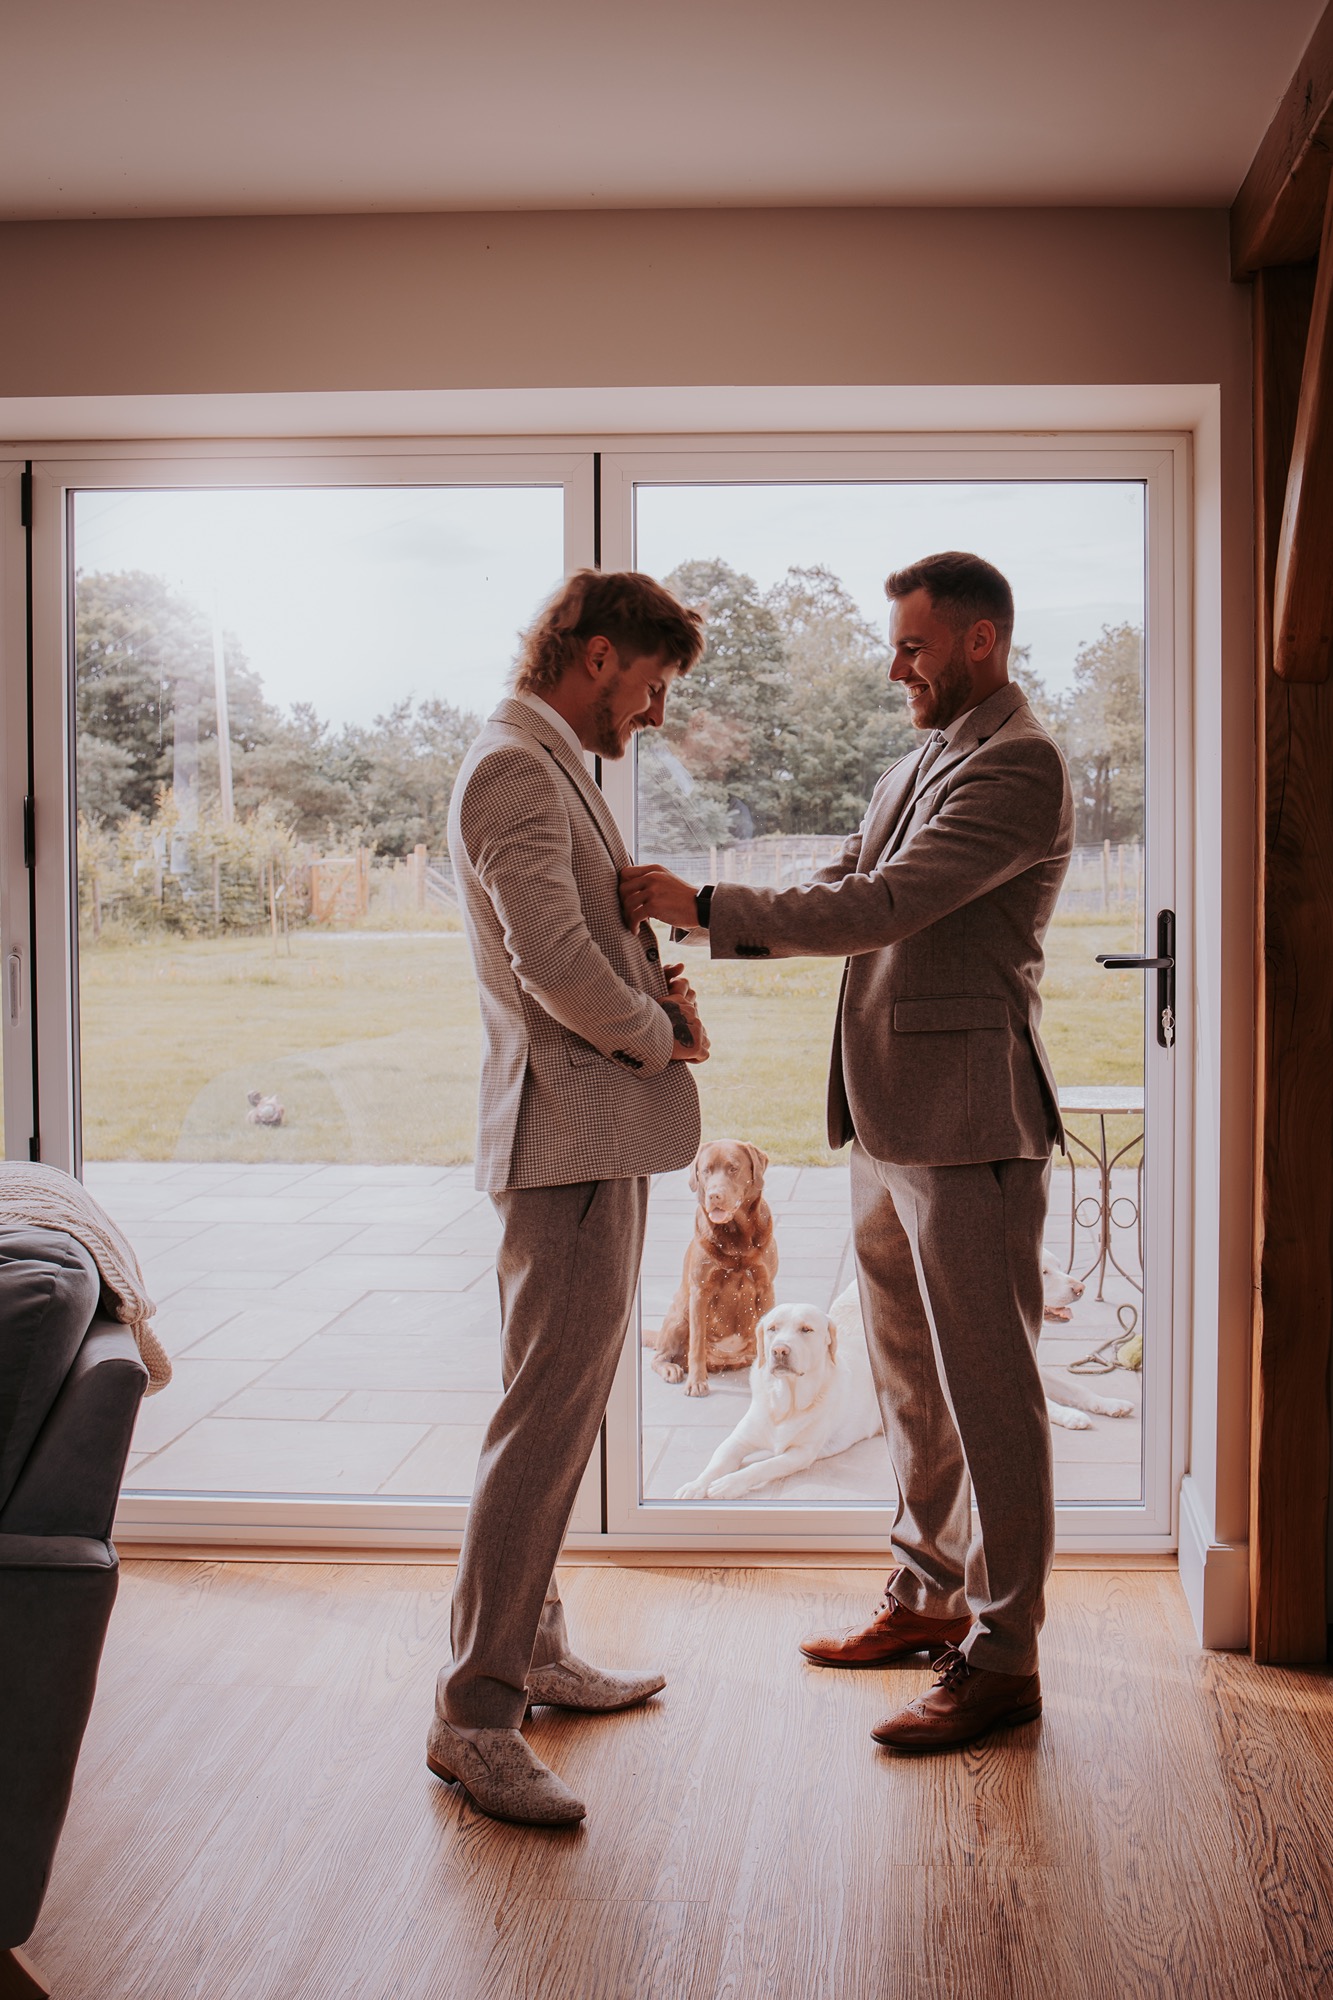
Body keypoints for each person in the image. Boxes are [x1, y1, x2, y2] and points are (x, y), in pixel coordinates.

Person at [620, 551, 1073, 1752]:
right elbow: (843, 880)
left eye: (913, 647)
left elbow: (884, 908)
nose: (894, 666)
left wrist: (709, 904)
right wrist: (717, 915)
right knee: (912, 1376)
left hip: (971, 1122)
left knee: (992, 1392)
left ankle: (1007, 1650)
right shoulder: (914, 760)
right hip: (880, 1120)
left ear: (979, 642)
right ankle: (925, 1596)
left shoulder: (1018, 765)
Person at [429, 569, 708, 1826]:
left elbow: (578, 942)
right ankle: (475, 1714)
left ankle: (531, 1647)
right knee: (540, 1423)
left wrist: (654, 987)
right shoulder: (513, 766)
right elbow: (548, 965)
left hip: (591, 1137)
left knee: (559, 1410)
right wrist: (657, 1032)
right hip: (567, 1139)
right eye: (651, 686)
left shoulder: (546, 764)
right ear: (597, 656)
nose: (651, 712)